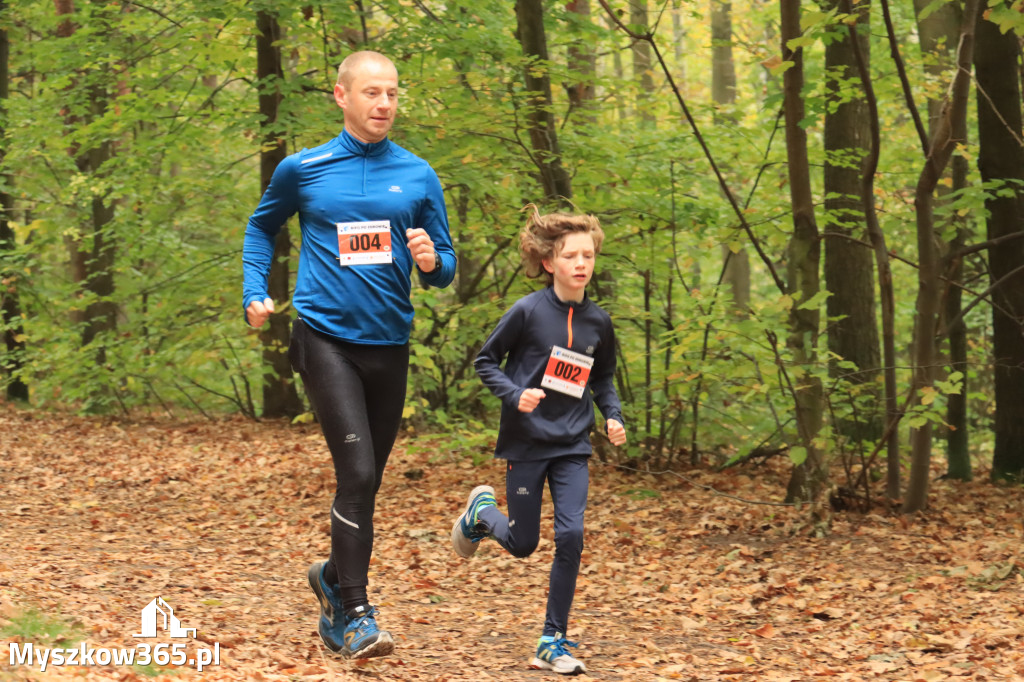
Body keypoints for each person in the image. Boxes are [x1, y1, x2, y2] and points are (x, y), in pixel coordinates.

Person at [242, 50, 456, 660]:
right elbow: (262, 228)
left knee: (369, 481)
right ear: (341, 96)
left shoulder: (417, 175)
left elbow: (445, 266)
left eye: (392, 93)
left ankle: (332, 578)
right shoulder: (302, 170)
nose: (384, 104)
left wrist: (431, 261)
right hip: (324, 337)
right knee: (356, 474)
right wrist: (256, 291)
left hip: (389, 345)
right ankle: (354, 615)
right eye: (371, 93)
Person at [450, 206, 626, 675]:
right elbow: (485, 361)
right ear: (550, 262)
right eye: (571, 255)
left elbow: (603, 377)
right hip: (527, 442)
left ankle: (553, 640)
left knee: (571, 535)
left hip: (572, 444)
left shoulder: (599, 323)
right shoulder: (527, 311)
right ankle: (481, 515)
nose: (581, 264)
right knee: (525, 543)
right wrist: (515, 394)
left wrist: (612, 416)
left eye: (588, 255)